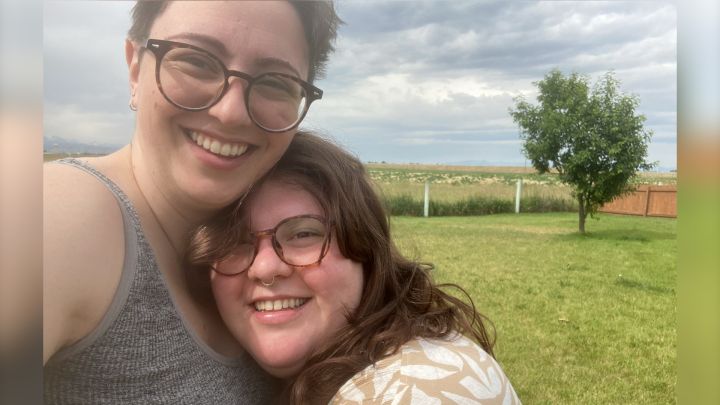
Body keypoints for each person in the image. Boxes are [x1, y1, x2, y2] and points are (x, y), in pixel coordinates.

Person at [43, 1, 340, 403]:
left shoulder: (270, 241)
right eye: (196, 61)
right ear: (135, 67)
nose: (230, 112)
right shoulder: (62, 213)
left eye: (275, 82)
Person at [188, 131, 522, 404]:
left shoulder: (414, 389)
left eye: (303, 234)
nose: (264, 268)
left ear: (365, 249)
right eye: (234, 241)